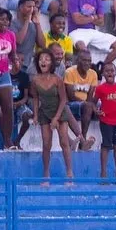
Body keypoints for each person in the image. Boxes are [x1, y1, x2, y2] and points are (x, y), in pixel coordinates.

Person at [30, 50, 75, 179]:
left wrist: (56, 118)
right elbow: (36, 99)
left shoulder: (57, 80)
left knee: (64, 142)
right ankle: (46, 174)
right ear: (38, 63)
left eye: (47, 59)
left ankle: (69, 173)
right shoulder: (35, 80)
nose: (43, 61)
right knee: (46, 144)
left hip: (59, 111)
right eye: (41, 59)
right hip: (45, 112)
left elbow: (63, 100)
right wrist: (36, 115)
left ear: (52, 63)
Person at [90, 61, 116, 179]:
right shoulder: (100, 89)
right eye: (107, 71)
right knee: (106, 146)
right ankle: (103, 174)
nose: (110, 73)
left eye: (112, 70)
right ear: (103, 74)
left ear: (115, 73)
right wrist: (96, 110)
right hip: (106, 122)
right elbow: (93, 103)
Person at [0, 8, 18, 150]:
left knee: (8, 108)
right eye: (2, 19)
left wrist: (16, 62)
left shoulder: (11, 35)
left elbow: (13, 54)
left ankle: (8, 141)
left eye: (7, 19)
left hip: (4, 74)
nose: (5, 22)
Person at [64, 48, 99, 149]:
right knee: (88, 105)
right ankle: (83, 141)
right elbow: (70, 96)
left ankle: (112, 143)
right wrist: (88, 104)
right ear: (78, 60)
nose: (87, 63)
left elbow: (91, 96)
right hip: (72, 105)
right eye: (84, 60)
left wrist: (90, 105)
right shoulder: (69, 72)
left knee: (107, 106)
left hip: (85, 105)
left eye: (89, 61)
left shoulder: (93, 74)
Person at [9, 0, 44, 73]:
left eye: (33, 7)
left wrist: (38, 24)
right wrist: (27, 20)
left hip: (31, 65)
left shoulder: (34, 24)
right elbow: (19, 40)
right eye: (29, 6)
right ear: (20, 8)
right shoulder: (12, 24)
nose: (32, 9)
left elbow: (42, 44)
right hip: (17, 64)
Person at [9, 53, 32, 146]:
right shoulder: (5, 75)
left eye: (22, 60)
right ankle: (7, 141)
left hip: (19, 104)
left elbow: (26, 96)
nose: (20, 63)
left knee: (27, 116)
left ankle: (17, 140)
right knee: (2, 114)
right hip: (6, 103)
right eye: (17, 60)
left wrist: (19, 103)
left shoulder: (24, 76)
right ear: (11, 61)